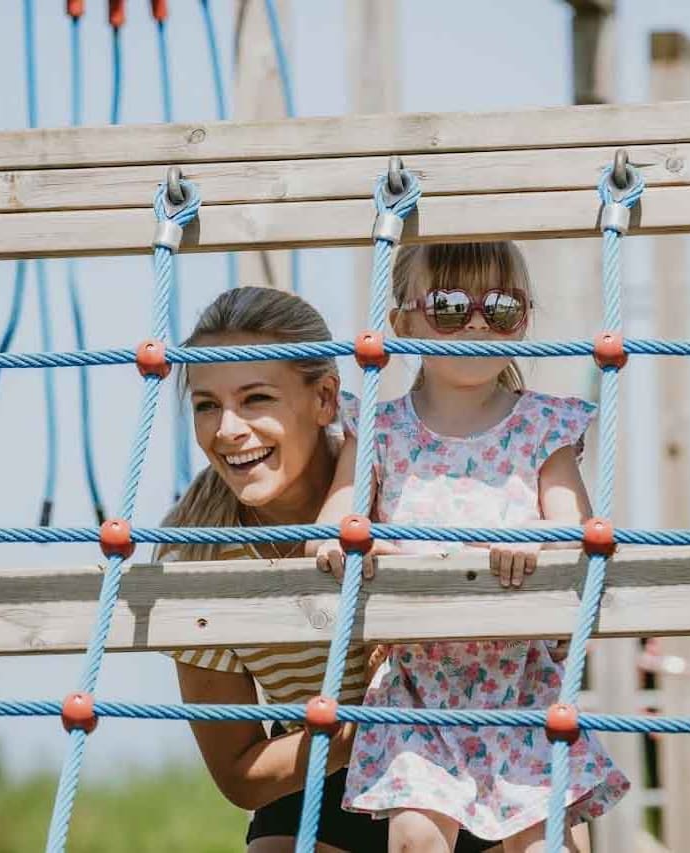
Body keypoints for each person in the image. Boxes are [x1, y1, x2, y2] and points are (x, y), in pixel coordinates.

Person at [157, 285, 504, 852]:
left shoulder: (405, 480)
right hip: (324, 770)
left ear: (324, 400)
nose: (227, 430)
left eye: (256, 399)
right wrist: (359, 728)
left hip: (475, 754)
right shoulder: (197, 557)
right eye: (206, 405)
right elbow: (240, 774)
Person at [310, 243, 629, 852]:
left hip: (523, 685)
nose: (478, 321)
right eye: (451, 306)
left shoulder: (542, 428)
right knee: (416, 841)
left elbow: (578, 532)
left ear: (525, 319)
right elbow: (336, 520)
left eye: (502, 308)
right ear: (403, 319)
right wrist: (352, 544)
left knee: (549, 846)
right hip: (418, 685)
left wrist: (536, 539)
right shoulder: (380, 428)